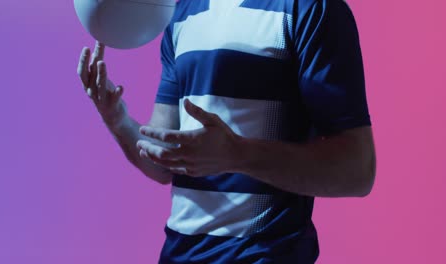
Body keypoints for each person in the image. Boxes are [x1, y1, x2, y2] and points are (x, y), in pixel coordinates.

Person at [77, 0, 376, 263]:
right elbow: (162, 160)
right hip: (179, 253)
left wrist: (236, 154)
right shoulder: (183, 13)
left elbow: (357, 170)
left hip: (264, 254)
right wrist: (117, 119)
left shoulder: (310, 8)